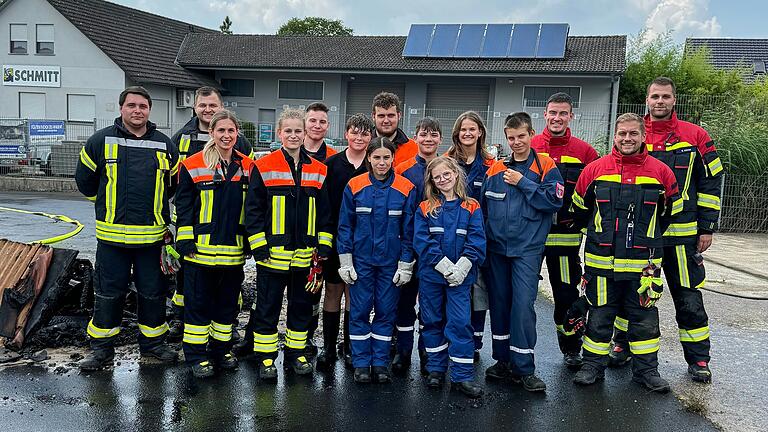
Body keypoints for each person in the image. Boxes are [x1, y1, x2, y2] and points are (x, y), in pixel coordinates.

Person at [608, 78, 723, 384]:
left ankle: (698, 358)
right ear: (646, 100)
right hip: (640, 239)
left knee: (687, 297)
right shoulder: (632, 134)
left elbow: (711, 182)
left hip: (683, 237)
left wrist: (707, 227)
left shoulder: (695, 136)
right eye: (655, 96)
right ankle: (623, 344)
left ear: (674, 99)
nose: (660, 101)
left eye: (665, 96)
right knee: (632, 293)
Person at [571, 113, 682, 393]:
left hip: (643, 268)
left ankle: (646, 371)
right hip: (601, 264)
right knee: (599, 317)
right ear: (615, 136)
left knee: (644, 321)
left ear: (644, 136)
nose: (627, 139)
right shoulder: (595, 170)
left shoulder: (662, 173)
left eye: (633, 134)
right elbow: (580, 210)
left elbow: (670, 214)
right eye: (622, 134)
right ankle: (592, 366)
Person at [75, 86, 180, 370]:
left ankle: (154, 344)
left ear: (149, 110)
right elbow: (85, 181)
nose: (137, 110)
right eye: (132, 105)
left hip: (151, 240)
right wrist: (108, 205)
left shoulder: (165, 145)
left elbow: (172, 186)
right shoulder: (100, 141)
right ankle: (101, 350)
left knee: (153, 293)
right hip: (111, 241)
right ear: (121, 108)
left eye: (143, 106)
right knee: (108, 294)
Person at [243, 108, 333, 379]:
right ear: (280, 133)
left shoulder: (319, 170)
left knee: (301, 309)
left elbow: (326, 213)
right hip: (272, 256)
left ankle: (296, 354)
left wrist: (325, 244)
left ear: (305, 134)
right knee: (268, 309)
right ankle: (266, 358)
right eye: (288, 131)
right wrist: (258, 246)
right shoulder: (264, 165)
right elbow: (254, 211)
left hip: (306, 256)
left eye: (298, 131)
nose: (294, 135)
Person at [481, 112, 563, 392]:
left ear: (531, 134)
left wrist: (523, 182)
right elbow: (482, 209)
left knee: (523, 307)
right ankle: (503, 361)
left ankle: (524, 367)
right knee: (500, 306)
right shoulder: (494, 169)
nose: (517, 142)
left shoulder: (545, 165)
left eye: (521, 136)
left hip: (527, 250)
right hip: (496, 250)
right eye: (511, 138)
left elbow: (554, 201)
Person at [168, 86, 253, 341]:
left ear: (221, 106)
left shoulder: (242, 144)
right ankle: (181, 320)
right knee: (187, 278)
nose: (207, 109)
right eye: (203, 105)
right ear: (195, 108)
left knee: (229, 281)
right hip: (189, 221)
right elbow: (174, 180)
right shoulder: (181, 137)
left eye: (212, 105)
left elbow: (248, 185)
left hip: (228, 225)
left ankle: (229, 324)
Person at [336, 137, 418, 384]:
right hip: (361, 263)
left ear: (393, 159)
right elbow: (345, 227)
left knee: (385, 313)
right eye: (377, 157)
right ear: (369, 158)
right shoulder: (354, 185)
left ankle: (380, 363)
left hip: (390, 265)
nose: (382, 163)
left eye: (386, 157)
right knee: (359, 312)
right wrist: (345, 261)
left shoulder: (406, 189)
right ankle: (361, 363)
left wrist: (405, 264)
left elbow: (410, 230)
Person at [530, 93, 600, 370]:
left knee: (566, 296)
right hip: (531, 239)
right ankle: (518, 352)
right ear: (544, 115)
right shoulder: (530, 147)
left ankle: (571, 349)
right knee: (522, 296)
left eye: (563, 113)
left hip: (566, 240)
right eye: (552, 113)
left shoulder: (586, 153)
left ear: (571, 116)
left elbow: (595, 196)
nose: (557, 118)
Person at [414, 156, 486, 398]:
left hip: (460, 279)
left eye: (447, 174)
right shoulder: (425, 208)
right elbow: (422, 242)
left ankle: (462, 377)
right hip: (432, 277)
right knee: (432, 321)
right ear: (432, 182)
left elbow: (477, 240)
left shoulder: (472, 206)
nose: (443, 179)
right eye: (437, 177)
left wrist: (462, 267)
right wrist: (445, 267)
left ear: (456, 174)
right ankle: (435, 369)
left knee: (460, 323)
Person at [316, 114, 374, 370]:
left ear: (370, 137)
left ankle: (349, 347)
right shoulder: (331, 164)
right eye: (355, 132)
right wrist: (325, 241)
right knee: (332, 291)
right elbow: (323, 206)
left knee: (354, 295)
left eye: (364, 134)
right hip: (336, 239)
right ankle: (328, 347)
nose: (359, 138)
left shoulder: (374, 166)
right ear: (346, 134)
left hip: (362, 243)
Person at [391, 116, 442, 374]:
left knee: (431, 305)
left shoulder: (448, 170)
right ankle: (403, 351)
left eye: (433, 134)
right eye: (424, 134)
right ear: (416, 137)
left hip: (438, 248)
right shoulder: (403, 169)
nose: (428, 139)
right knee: (405, 302)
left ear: (440, 139)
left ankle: (427, 352)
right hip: (409, 246)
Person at [447, 111, 496, 360]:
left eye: (472, 129)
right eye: (463, 129)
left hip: (479, 239)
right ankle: (452, 340)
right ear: (457, 133)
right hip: (450, 240)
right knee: (452, 290)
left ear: (480, 133)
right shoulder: (447, 161)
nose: (467, 133)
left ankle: (474, 343)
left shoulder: (491, 164)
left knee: (478, 292)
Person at [302, 102, 337, 357]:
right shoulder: (290, 151)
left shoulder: (333, 159)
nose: (317, 125)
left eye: (322, 122)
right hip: (290, 236)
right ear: (305, 123)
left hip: (321, 237)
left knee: (314, 291)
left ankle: (309, 336)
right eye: (313, 120)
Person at [372, 92, 418, 167]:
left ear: (399, 115)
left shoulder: (413, 148)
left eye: (390, 115)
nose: (386, 121)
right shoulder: (363, 146)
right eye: (381, 116)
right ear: (373, 116)